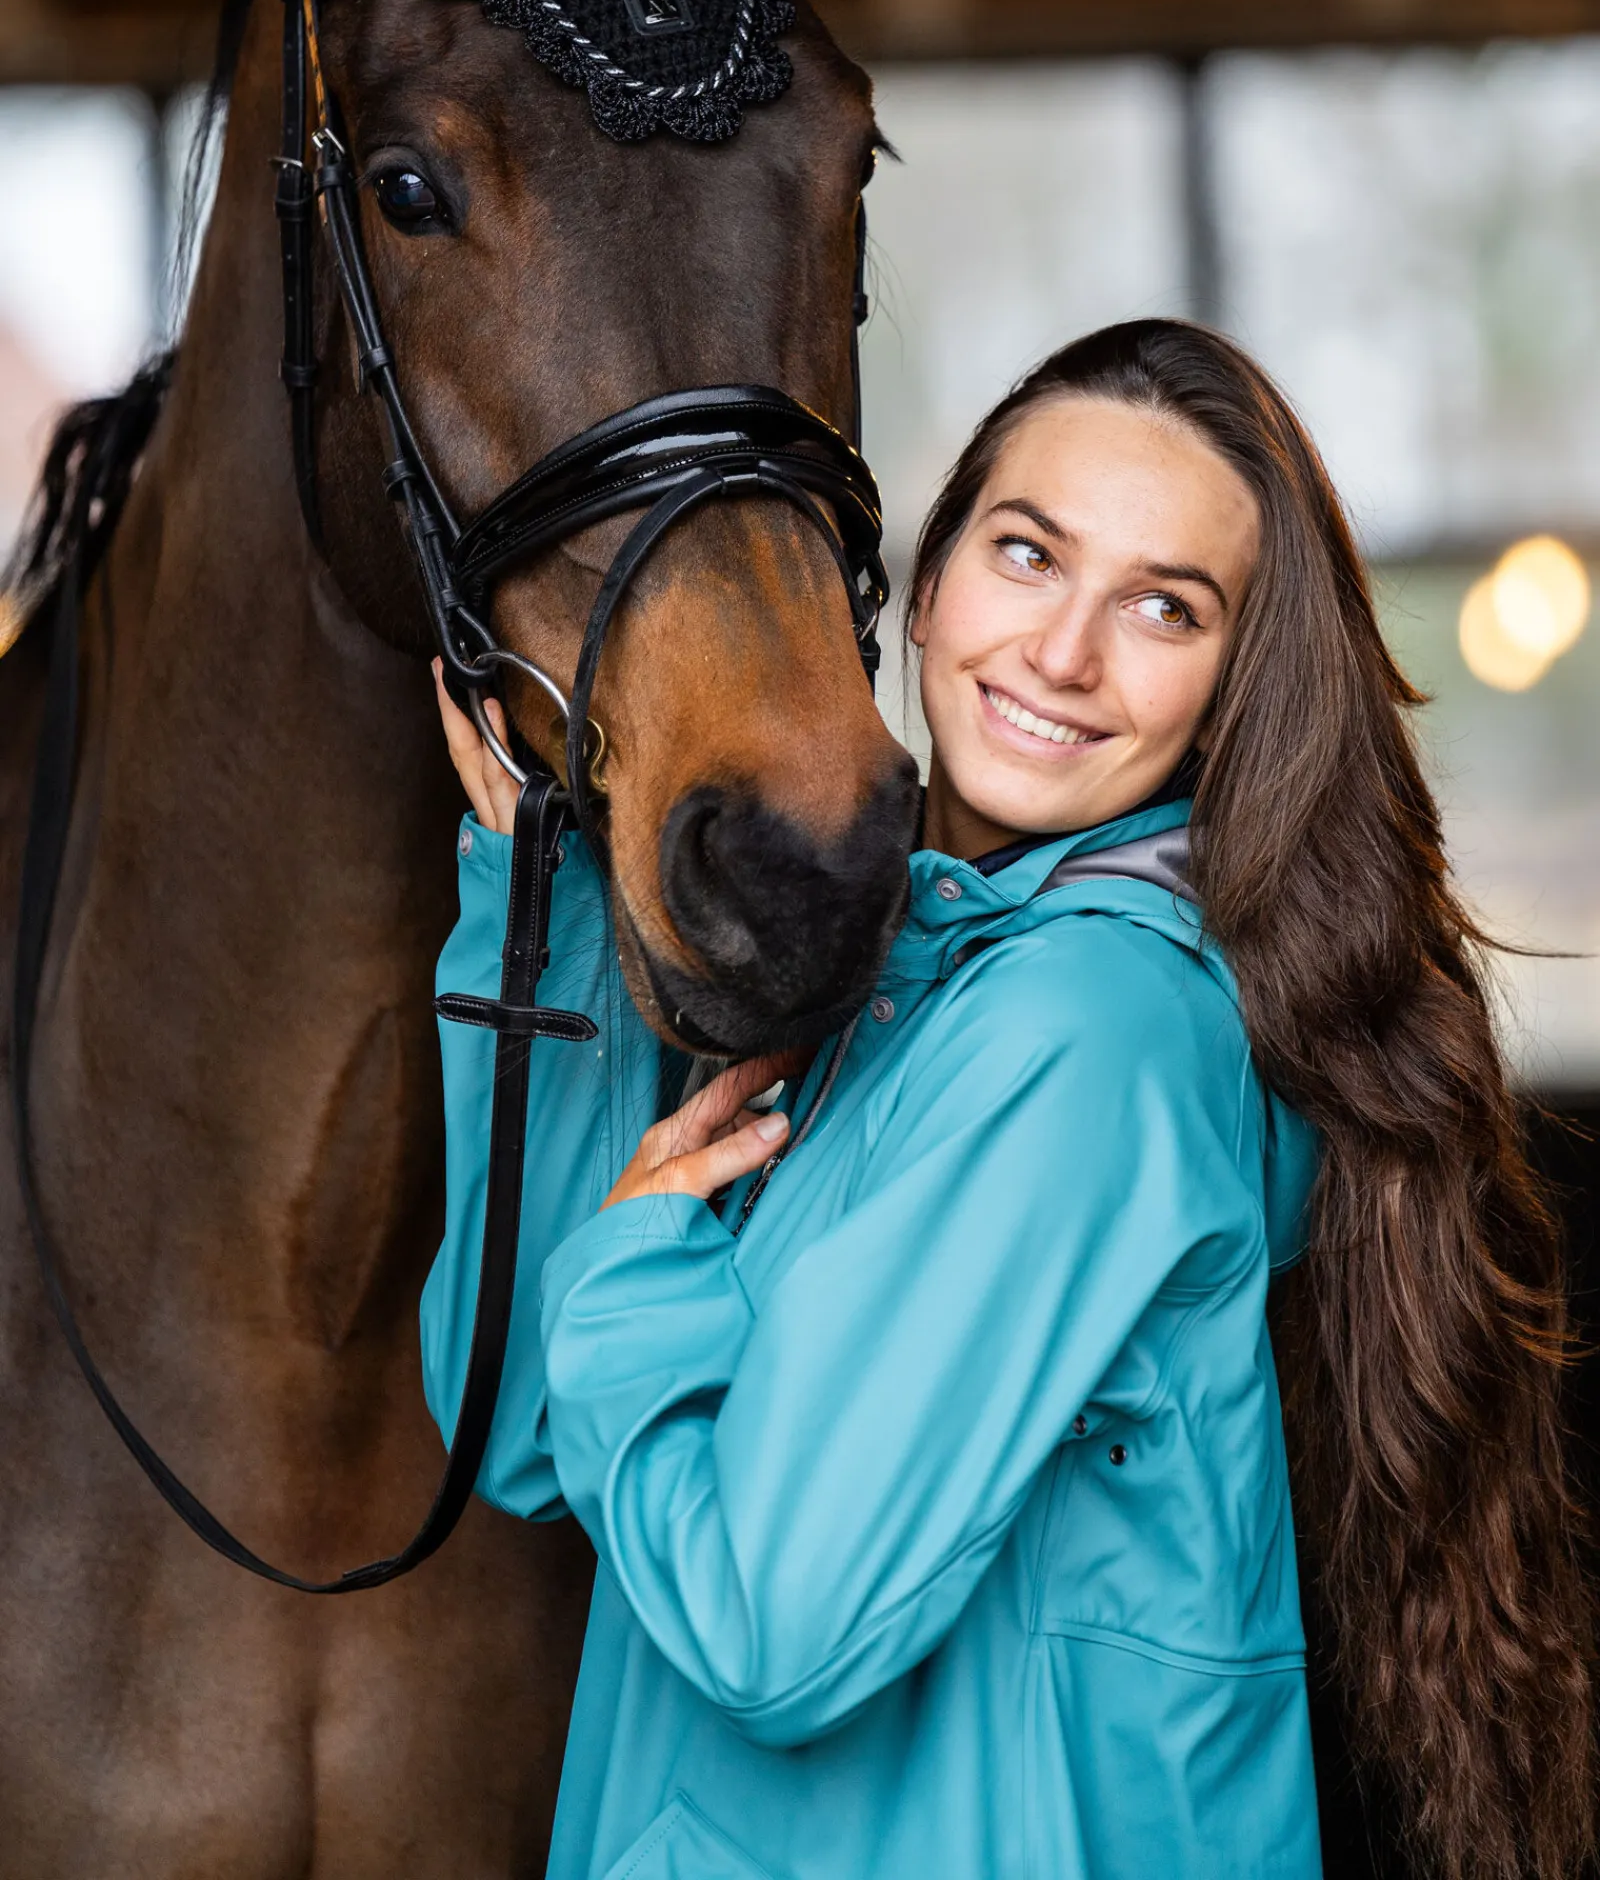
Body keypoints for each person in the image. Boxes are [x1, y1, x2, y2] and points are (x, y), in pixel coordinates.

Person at [423, 318, 1592, 1880]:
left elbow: (772, 1634)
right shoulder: (888, 987)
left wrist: (641, 1265)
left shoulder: (1088, 1027)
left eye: (1162, 608)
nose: (1063, 654)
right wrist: (552, 905)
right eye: (1030, 555)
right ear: (919, 590)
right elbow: (521, 1435)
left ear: (1233, 691)